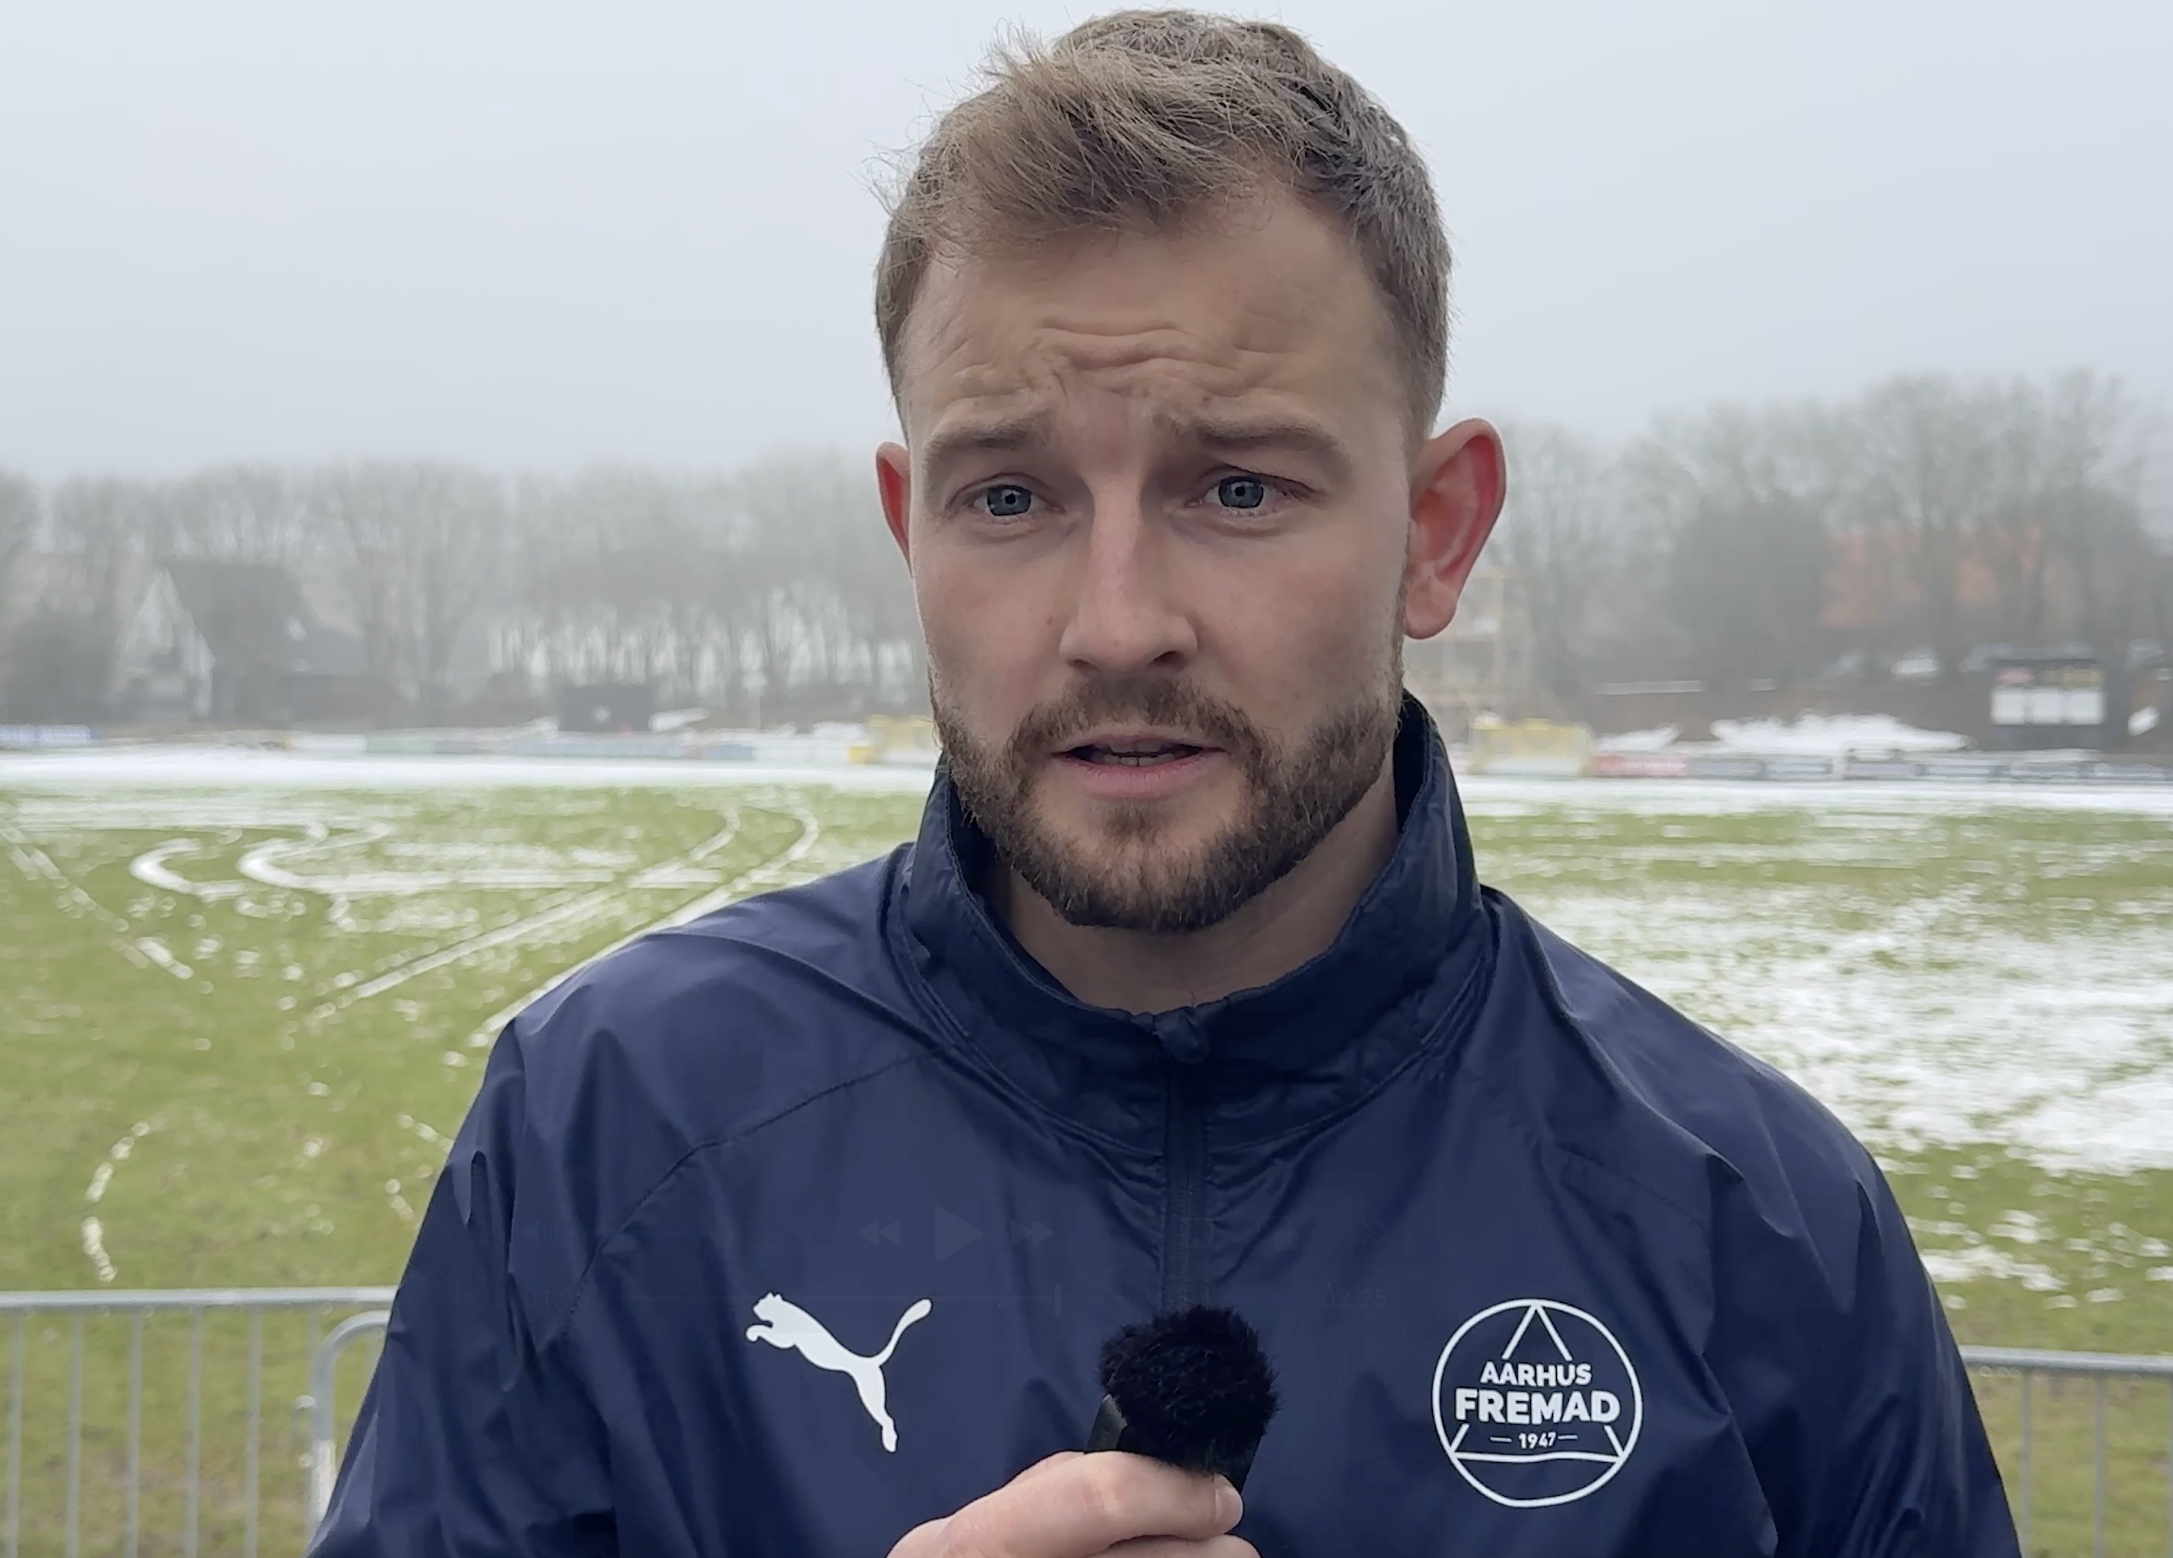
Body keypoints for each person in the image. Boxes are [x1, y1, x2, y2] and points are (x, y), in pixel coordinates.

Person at [310, 10, 2019, 1556]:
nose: (1116, 622)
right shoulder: (606, 1128)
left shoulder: (1756, 1225)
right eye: (1010, 499)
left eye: (1239, 488)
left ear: (1436, 534)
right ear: (911, 531)